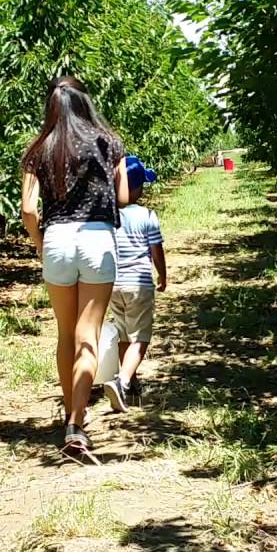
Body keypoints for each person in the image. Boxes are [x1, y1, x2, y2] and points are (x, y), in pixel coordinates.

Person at [20, 76, 129, 454]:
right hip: (97, 239)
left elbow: (29, 209)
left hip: (57, 241)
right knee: (89, 335)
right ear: (85, 102)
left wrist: (40, 244)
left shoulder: (38, 149)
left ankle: (71, 416)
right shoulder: (108, 141)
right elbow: (124, 196)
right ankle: (75, 424)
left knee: (66, 334)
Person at [103, 156, 166, 413]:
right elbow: (156, 250)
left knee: (121, 332)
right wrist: (163, 275)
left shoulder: (108, 217)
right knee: (140, 336)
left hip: (112, 284)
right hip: (139, 283)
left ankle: (132, 380)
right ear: (137, 188)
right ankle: (123, 381)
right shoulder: (147, 216)